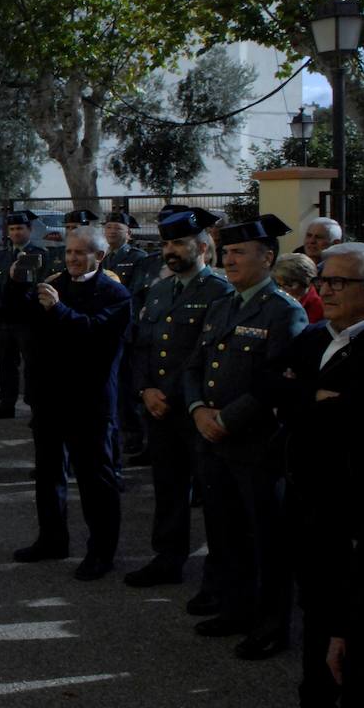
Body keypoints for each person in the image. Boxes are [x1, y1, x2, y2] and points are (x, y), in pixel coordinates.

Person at [183, 214, 306, 660]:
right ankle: (235, 609)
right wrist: (197, 410)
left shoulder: (282, 310)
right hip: (213, 442)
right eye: (227, 252)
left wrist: (227, 419)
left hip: (254, 446)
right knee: (225, 532)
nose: (228, 260)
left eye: (239, 253)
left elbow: (277, 380)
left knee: (264, 539)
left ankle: (272, 626)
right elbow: (194, 365)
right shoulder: (223, 304)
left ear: (267, 258)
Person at [9, 226, 130, 581]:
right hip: (49, 398)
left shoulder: (115, 293)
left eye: (81, 253)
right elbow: (18, 317)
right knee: (48, 474)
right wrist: (17, 283)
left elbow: (97, 337)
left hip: (89, 402)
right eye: (69, 252)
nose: (73, 259)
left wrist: (59, 310)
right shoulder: (55, 282)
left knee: (95, 480)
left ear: (99, 256)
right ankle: (51, 539)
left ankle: (101, 552)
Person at [124, 208, 234, 594]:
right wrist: (144, 391)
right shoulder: (158, 290)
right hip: (158, 410)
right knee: (168, 488)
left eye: (178, 243)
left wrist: (173, 396)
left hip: (194, 410)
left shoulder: (221, 292)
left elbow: (204, 357)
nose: (170, 250)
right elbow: (142, 347)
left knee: (216, 498)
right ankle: (168, 558)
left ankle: (218, 575)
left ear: (202, 246)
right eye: (167, 243)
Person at [274, 242, 364, 706]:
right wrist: (313, 399)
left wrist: (304, 400)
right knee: (315, 615)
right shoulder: (312, 337)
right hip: (308, 504)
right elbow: (274, 388)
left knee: (343, 625)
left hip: (348, 514)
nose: (326, 290)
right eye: (324, 281)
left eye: (340, 282)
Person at [103, 210, 150, 462]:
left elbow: (134, 294)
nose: (111, 231)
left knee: (129, 386)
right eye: (108, 227)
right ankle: (119, 430)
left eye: (117, 228)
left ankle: (133, 434)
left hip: (127, 330)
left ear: (128, 233)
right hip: (105, 329)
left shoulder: (137, 258)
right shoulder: (102, 256)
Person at [0, 210, 48, 420]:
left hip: (29, 319)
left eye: (20, 228)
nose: (16, 233)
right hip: (5, 319)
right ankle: (6, 404)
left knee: (32, 365)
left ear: (29, 230)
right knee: (6, 364)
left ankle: (35, 407)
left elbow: (40, 284)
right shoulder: (2, 256)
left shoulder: (41, 254)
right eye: (13, 229)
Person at [274, 252, 325, 324]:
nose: (281, 290)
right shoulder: (273, 300)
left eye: (289, 284)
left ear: (307, 281)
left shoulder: (320, 309)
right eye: (278, 284)